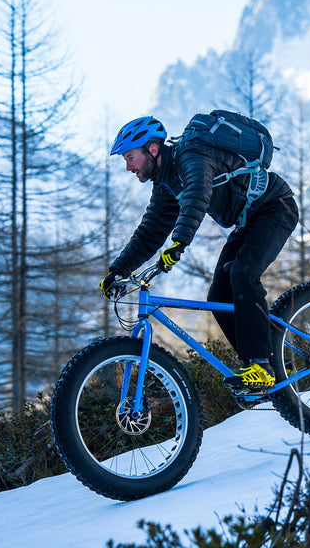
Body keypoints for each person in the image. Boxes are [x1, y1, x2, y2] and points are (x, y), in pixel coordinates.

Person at [100, 115, 299, 394]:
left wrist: (179, 242)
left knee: (243, 274)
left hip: (275, 207)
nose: (128, 166)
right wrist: (118, 270)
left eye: (130, 157)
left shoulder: (192, 156)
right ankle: (268, 366)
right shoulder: (166, 185)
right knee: (219, 295)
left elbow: (197, 195)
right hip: (249, 221)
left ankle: (261, 364)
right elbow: (150, 232)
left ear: (152, 150)